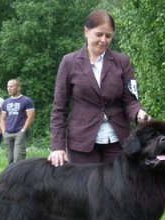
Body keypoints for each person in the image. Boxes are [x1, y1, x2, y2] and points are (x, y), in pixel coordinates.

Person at [49, 10, 149, 167]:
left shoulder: (122, 62)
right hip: (82, 143)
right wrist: (57, 147)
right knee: (85, 191)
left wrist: (139, 113)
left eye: (108, 36)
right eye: (99, 34)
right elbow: (59, 108)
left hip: (119, 141)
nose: (104, 40)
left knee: (119, 190)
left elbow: (131, 101)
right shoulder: (69, 62)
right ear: (86, 31)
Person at [0, 79, 35, 164]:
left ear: (18, 88)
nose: (9, 88)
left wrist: (23, 130)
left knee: (19, 158)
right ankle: (11, 176)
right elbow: (2, 118)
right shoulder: (6, 102)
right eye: (8, 86)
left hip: (19, 133)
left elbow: (31, 117)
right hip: (8, 133)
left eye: (11, 86)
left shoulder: (26, 100)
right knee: (10, 159)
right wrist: (4, 131)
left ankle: (20, 176)